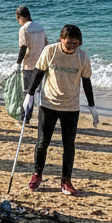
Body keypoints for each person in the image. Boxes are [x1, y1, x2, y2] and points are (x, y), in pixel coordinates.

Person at [23, 24, 98, 196]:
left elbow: (86, 82)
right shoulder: (50, 51)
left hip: (71, 107)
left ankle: (66, 181)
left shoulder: (82, 57)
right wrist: (30, 94)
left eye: (76, 43)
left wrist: (92, 105)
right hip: (48, 104)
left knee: (69, 145)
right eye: (69, 43)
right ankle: (37, 174)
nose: (72, 46)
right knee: (43, 142)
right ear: (61, 39)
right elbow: (39, 72)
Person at [16, 6, 48, 115]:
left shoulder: (24, 29)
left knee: (28, 92)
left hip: (29, 65)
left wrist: (18, 64)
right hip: (41, 64)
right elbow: (46, 45)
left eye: (17, 19)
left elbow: (23, 48)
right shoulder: (41, 27)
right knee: (38, 92)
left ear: (20, 17)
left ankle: (25, 116)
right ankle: (41, 116)